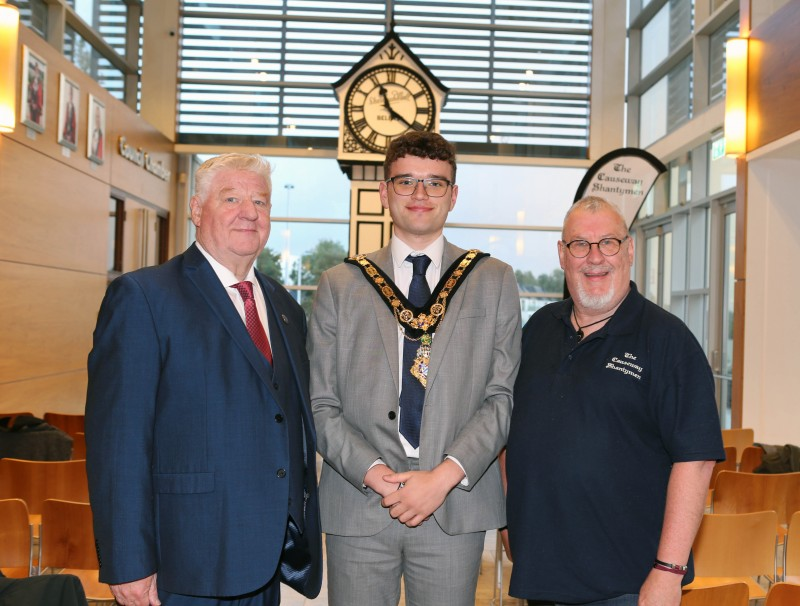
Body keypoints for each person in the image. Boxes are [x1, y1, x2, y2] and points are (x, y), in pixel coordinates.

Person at [85, 153, 322, 606]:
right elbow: (120, 441)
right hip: (183, 563)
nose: (249, 212)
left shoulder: (285, 308)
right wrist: (129, 560)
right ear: (196, 209)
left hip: (265, 560)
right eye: (231, 198)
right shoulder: (143, 297)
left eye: (260, 201)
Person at [308, 131, 522, 606]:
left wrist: (443, 475)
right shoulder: (340, 284)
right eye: (406, 182)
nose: (420, 195)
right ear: (384, 192)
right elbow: (321, 403)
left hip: (452, 504)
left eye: (435, 183)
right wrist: (376, 474)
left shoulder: (493, 280)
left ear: (453, 195)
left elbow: (501, 398)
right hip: (360, 500)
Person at [505, 196, 725, 606]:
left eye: (607, 243)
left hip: (628, 584)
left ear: (629, 250)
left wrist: (669, 571)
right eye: (579, 245)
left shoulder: (669, 341)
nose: (594, 258)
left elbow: (696, 462)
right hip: (543, 575)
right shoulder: (538, 329)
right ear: (562, 254)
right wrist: (508, 523)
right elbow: (511, 431)